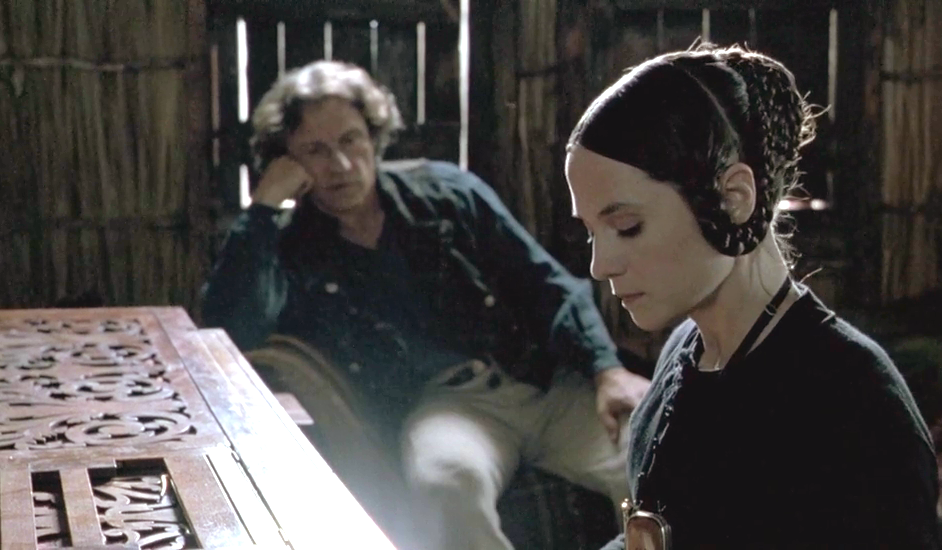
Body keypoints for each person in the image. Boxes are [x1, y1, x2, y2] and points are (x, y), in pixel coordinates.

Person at [201, 60, 650, 550]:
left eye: (351, 140)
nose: (341, 165)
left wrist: (607, 371)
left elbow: (545, 283)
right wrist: (264, 207)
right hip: (448, 408)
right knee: (447, 486)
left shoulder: (446, 192)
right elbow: (230, 331)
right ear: (289, 163)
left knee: (653, 456)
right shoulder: (290, 246)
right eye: (315, 150)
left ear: (374, 138)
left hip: (543, 383)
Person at [564, 43, 942, 549]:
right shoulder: (683, 355)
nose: (600, 265)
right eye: (591, 232)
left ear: (733, 198)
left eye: (627, 226)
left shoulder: (855, 409)